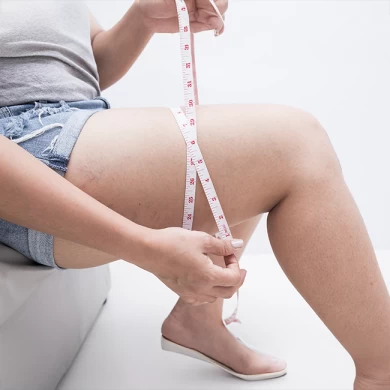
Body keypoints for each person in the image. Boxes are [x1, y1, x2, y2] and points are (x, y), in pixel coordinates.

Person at [0, 0, 389, 388]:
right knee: (297, 145)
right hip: (22, 153)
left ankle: (199, 320)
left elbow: (72, 67)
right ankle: (382, 373)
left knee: (248, 149)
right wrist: (146, 249)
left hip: (66, 123)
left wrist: (141, 19)